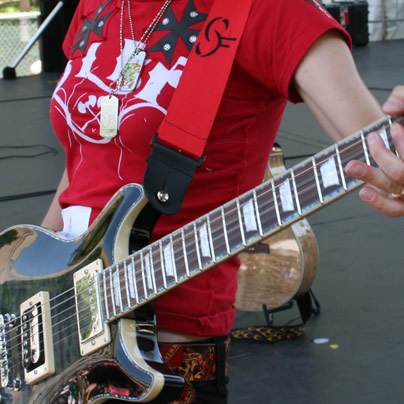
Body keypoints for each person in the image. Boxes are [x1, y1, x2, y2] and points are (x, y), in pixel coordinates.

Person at [41, 0, 404, 402]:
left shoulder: (272, 10)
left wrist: (398, 170)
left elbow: (381, 153)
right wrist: (27, 275)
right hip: (58, 313)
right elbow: (85, 158)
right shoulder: (95, 6)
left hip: (161, 353)